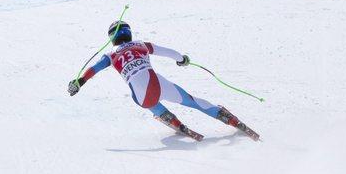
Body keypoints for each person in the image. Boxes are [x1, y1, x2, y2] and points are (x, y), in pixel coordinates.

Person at [68, 21, 259, 142]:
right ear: (129, 33)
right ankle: (228, 118)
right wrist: (181, 59)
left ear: (112, 38)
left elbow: (93, 70)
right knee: (192, 101)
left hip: (142, 98)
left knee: (142, 98)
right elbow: (168, 52)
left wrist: (79, 82)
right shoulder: (141, 44)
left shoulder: (110, 55)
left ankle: (170, 119)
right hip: (158, 84)